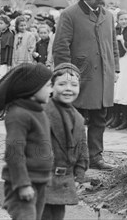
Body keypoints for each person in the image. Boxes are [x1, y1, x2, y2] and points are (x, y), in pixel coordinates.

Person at [53, 0, 120, 171]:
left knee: (100, 118)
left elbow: (113, 46)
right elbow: (60, 47)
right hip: (79, 79)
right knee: (75, 119)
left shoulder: (108, 17)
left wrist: (115, 68)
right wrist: (66, 76)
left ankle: (95, 157)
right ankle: (72, 157)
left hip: (103, 77)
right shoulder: (69, 15)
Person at [0, 63, 54, 220]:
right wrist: (23, 184)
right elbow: (14, 152)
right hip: (22, 184)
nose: (51, 91)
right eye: (47, 86)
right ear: (32, 89)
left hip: (39, 180)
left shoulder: (39, 111)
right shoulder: (18, 114)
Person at [42, 64, 89, 220]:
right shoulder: (42, 113)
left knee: (57, 216)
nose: (68, 88)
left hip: (63, 183)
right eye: (62, 84)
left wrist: (79, 174)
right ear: (51, 86)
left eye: (74, 85)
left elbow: (82, 149)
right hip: (41, 182)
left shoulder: (78, 119)